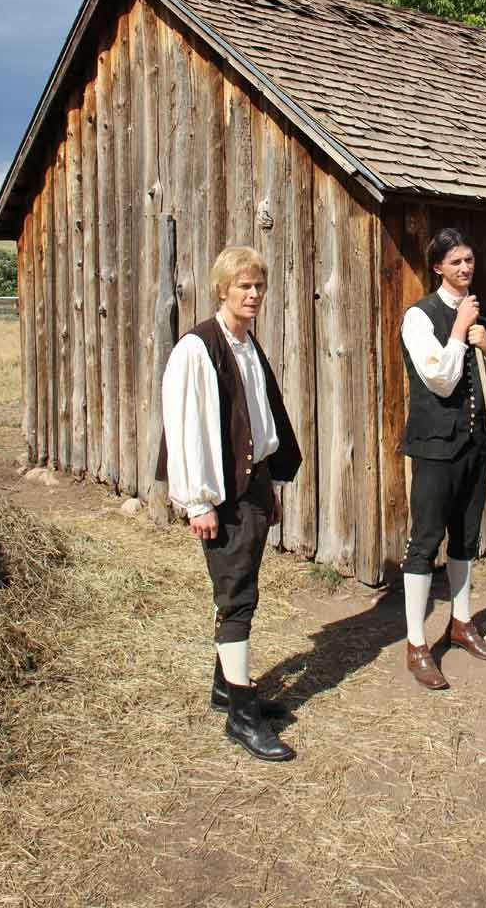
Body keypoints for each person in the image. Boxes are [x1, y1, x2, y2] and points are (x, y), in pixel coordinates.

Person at [158, 246, 302, 760]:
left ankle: (227, 688)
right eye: (244, 286)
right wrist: (197, 502)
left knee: (245, 587)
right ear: (222, 289)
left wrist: (271, 486)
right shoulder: (197, 349)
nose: (254, 294)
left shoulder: (246, 344)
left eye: (259, 285)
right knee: (235, 597)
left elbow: (260, 420)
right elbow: (184, 429)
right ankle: (242, 717)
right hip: (221, 494)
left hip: (254, 486)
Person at [401, 227, 486, 690]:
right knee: (425, 541)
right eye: (455, 262)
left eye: (469, 260)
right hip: (434, 447)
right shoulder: (419, 316)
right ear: (438, 268)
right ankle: (416, 644)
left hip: (475, 445)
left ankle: (462, 622)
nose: (465, 269)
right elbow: (441, 380)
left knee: (466, 539)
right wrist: (456, 332)